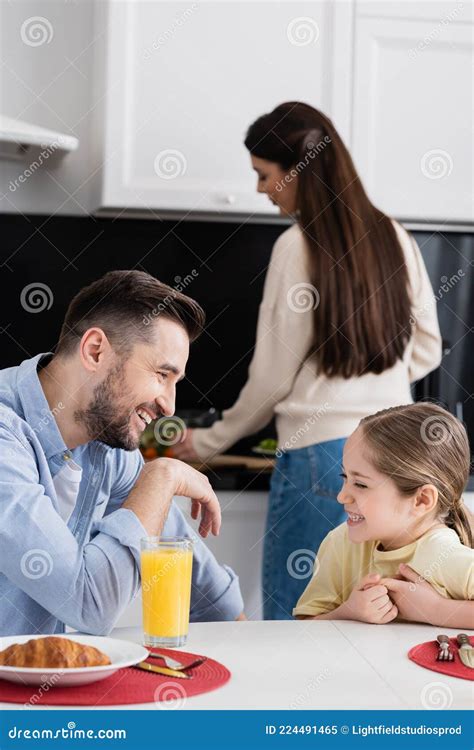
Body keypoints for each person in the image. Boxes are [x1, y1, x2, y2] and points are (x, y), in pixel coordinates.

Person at [174, 101, 442, 620]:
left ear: (296, 171)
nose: (259, 189)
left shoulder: (296, 246)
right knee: (376, 620)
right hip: (395, 461)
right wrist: (369, 387)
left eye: (263, 175)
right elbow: (428, 346)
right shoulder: (397, 237)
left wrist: (205, 441)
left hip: (325, 461)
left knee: (295, 622)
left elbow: (272, 378)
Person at [0, 270, 244, 636]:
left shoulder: (105, 444)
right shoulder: (6, 436)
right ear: (95, 350)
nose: (170, 405)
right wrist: (162, 476)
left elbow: (200, 583)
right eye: (162, 375)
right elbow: (88, 604)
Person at [293, 403, 473, 623]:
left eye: (360, 484)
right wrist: (346, 613)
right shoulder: (340, 545)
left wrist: (436, 609)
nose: (341, 496)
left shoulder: (443, 555)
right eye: (345, 478)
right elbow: (304, 628)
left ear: (421, 500)